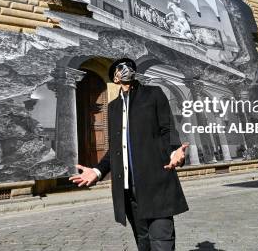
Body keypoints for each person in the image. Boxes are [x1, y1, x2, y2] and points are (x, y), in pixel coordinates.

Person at [70, 58, 189, 250]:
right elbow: (115, 149)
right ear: (115, 78)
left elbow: (167, 129)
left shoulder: (153, 94)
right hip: (128, 190)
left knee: (162, 241)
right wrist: (98, 171)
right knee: (143, 242)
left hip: (155, 184)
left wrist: (175, 151)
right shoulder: (114, 107)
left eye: (129, 66)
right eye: (121, 68)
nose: (126, 69)